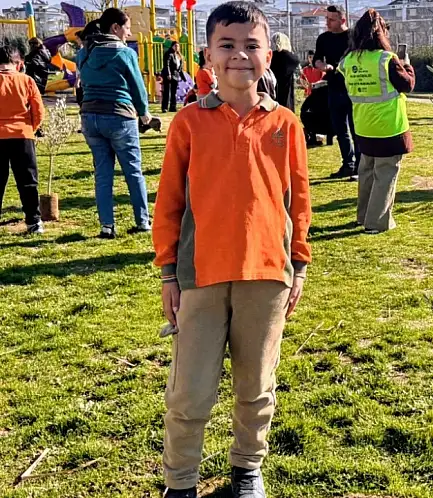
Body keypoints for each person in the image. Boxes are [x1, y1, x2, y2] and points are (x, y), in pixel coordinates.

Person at [153, 3, 312, 498]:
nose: (240, 55)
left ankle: (247, 468)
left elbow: (299, 199)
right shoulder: (188, 123)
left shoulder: (286, 124)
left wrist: (299, 264)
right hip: (199, 275)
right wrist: (167, 272)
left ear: (269, 55)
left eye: (252, 45)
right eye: (228, 45)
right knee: (189, 389)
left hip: (267, 275)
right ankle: (180, 482)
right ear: (208, 55)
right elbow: (169, 202)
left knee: (256, 386)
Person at [77, 8, 153, 239]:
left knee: (102, 174)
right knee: (133, 171)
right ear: (115, 28)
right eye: (127, 28)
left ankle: (106, 226)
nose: (128, 33)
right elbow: (137, 87)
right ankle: (142, 221)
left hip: (90, 116)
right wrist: (144, 114)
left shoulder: (85, 53)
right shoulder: (125, 53)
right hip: (119, 115)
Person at [338, 8, 415, 234]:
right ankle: (377, 222)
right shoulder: (387, 59)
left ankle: (363, 216)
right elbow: (407, 85)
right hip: (389, 126)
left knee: (367, 171)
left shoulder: (347, 60)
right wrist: (407, 65)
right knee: (386, 174)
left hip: (363, 125)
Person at [0, 44, 44, 234]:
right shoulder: (26, 80)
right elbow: (39, 111)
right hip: (22, 135)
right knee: (28, 180)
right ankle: (34, 221)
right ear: (17, 63)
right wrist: (30, 128)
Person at [314, 5, 360, 180]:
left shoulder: (353, 37)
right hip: (334, 87)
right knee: (340, 129)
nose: (327, 22)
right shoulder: (324, 38)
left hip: (353, 88)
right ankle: (347, 164)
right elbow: (317, 59)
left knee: (356, 129)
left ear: (343, 20)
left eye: (331, 19)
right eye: (326, 19)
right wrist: (322, 66)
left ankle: (358, 166)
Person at [269, 32, 300, 112]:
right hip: (286, 100)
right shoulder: (290, 59)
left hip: (271, 99)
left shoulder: (269, 58)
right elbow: (296, 61)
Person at [161, 41, 186, 112]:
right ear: (172, 46)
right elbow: (167, 65)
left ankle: (173, 107)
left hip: (176, 75)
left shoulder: (179, 56)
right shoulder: (169, 54)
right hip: (168, 75)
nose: (177, 47)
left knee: (174, 92)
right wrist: (168, 74)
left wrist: (183, 78)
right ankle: (164, 107)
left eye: (178, 46)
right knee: (167, 91)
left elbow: (180, 68)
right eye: (175, 46)